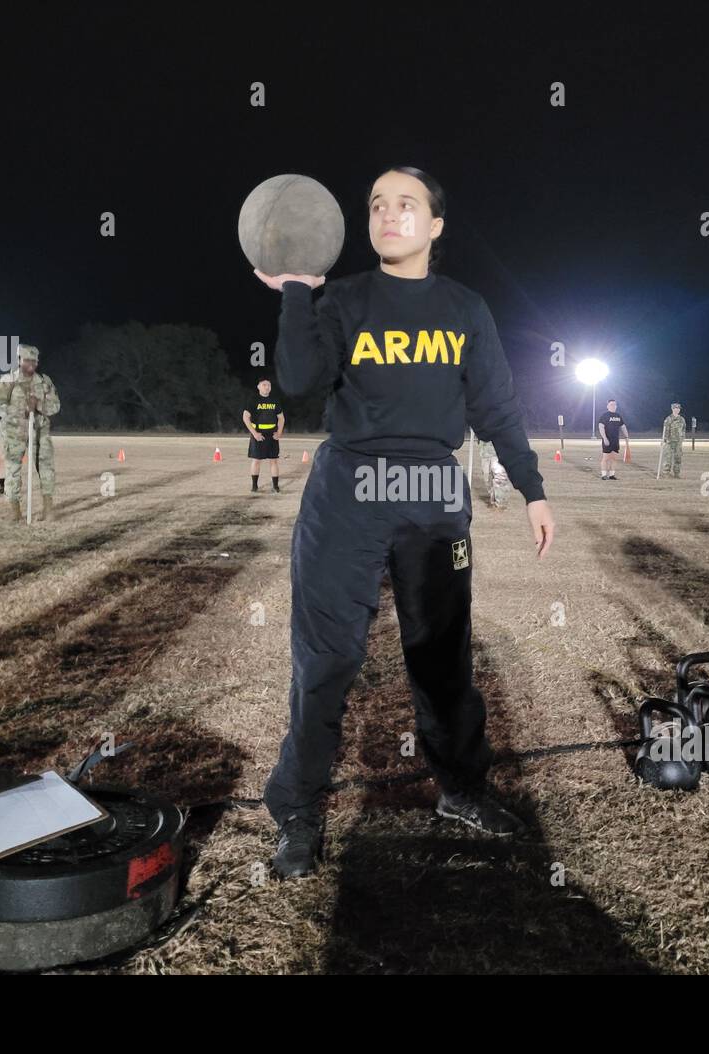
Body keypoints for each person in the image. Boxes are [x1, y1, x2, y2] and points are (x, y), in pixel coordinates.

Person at [254, 166, 555, 878]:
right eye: (378, 205)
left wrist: (533, 488)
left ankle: (460, 788)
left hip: (431, 494)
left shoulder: (464, 308)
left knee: (442, 657)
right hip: (347, 493)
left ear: (437, 224)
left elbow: (497, 408)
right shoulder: (343, 298)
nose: (390, 215)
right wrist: (298, 290)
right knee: (326, 660)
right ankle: (298, 811)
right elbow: (296, 381)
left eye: (407, 204)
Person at [0, 344, 60, 521]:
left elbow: (55, 406)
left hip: (39, 432)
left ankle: (48, 509)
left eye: (34, 361)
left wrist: (38, 405)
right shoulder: (7, 381)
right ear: (19, 360)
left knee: (46, 468)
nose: (31, 364)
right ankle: (15, 512)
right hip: (14, 433)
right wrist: (19, 411)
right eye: (27, 360)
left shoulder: (44, 382)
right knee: (12, 470)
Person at [243, 378, 285, 492]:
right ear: (258, 386)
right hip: (258, 434)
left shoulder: (274, 400)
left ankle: (276, 487)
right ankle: (254, 486)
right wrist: (255, 433)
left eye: (269, 385)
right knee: (256, 460)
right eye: (264, 385)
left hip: (272, 434)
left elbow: (281, 418)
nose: (267, 387)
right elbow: (245, 417)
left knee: (274, 460)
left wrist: (279, 432)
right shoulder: (253, 400)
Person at [596, 399, 628, 480]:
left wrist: (626, 437)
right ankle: (604, 475)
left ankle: (612, 475)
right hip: (607, 440)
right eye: (611, 404)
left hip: (615, 441)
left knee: (614, 458)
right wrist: (605, 438)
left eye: (614, 404)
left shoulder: (618, 416)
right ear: (607, 406)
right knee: (605, 458)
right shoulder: (605, 416)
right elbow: (601, 427)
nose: (613, 406)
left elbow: (623, 427)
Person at [661, 402, 685, 478]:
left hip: (678, 442)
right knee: (668, 457)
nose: (677, 410)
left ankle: (677, 473)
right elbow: (665, 430)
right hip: (669, 441)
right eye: (675, 408)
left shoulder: (682, 419)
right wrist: (664, 439)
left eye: (678, 408)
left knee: (678, 458)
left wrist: (682, 438)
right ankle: (666, 473)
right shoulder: (668, 419)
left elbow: (683, 430)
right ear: (672, 409)